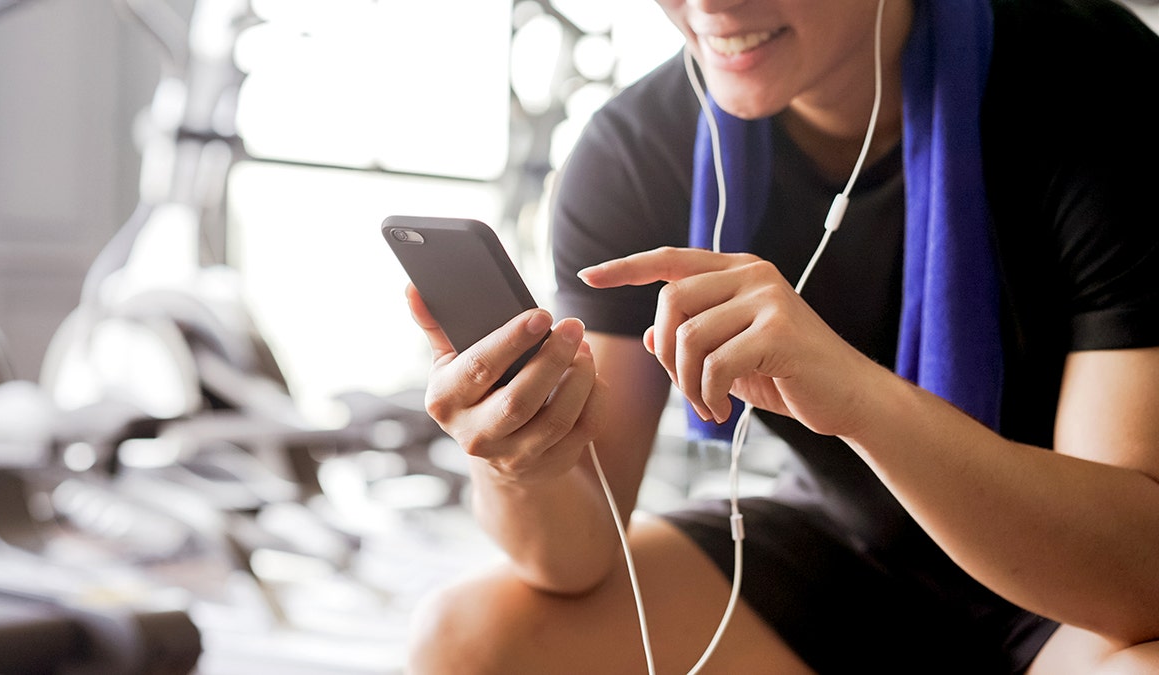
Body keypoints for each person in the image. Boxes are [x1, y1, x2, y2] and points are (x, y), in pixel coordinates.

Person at [402, 0, 1159, 672]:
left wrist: (854, 396)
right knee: (467, 637)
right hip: (856, 544)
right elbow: (574, 556)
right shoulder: (638, 148)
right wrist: (514, 455)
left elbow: (1139, 580)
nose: (710, 5)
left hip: (1073, 582)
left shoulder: (1093, 77)